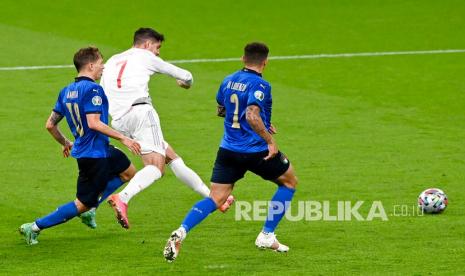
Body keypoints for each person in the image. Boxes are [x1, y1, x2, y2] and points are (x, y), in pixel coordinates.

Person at [163, 42, 298, 261]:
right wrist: (270, 140)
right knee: (289, 182)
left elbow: (222, 110)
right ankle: (266, 234)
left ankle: (182, 231)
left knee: (216, 197)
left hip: (227, 150)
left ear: (243, 59)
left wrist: (262, 122)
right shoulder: (261, 85)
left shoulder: (228, 80)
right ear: (265, 61)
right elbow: (252, 115)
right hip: (256, 152)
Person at [100, 28, 233, 229]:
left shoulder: (112, 60)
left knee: (172, 157)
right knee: (155, 167)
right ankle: (123, 198)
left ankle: (214, 199)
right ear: (146, 44)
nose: (158, 52)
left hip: (119, 120)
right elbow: (186, 75)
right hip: (141, 113)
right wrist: (184, 83)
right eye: (157, 47)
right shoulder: (145, 56)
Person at [18, 47, 141, 245]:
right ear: (91, 65)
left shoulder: (65, 91)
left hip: (99, 149)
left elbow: (50, 125)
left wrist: (65, 142)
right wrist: (123, 138)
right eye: (101, 62)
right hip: (93, 156)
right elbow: (94, 123)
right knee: (81, 204)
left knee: (129, 172)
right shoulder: (93, 89)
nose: (103, 66)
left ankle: (93, 208)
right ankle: (33, 227)